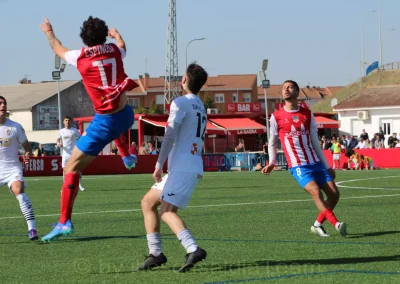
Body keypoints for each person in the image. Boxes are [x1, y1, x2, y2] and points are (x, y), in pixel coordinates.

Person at [40, 16, 139, 242]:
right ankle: (126, 157)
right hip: (126, 116)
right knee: (116, 121)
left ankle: (64, 221)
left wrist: (48, 32)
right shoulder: (114, 50)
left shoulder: (80, 56)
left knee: (70, 168)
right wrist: (118, 36)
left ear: (84, 39)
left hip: (106, 122)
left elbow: (57, 48)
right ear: (105, 35)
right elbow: (123, 47)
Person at [138, 63, 208, 272]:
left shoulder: (179, 102)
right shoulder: (200, 105)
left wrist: (158, 164)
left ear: (184, 81)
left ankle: (193, 248)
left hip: (183, 166)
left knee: (167, 211)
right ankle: (156, 254)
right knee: (148, 202)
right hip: (189, 163)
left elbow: (169, 135)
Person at [262, 80, 347, 238]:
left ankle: (317, 225)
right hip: (297, 165)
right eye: (283, 88)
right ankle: (336, 224)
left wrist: (327, 165)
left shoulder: (307, 114)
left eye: (290, 87)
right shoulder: (276, 117)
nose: (286, 90)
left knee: (334, 194)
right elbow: (272, 142)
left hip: (315, 162)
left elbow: (315, 141)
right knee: (315, 191)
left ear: (297, 92)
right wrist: (272, 162)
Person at [0, 96, 38, 240]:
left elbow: (28, 148)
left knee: (19, 192)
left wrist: (27, 154)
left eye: (4, 103)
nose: (3, 105)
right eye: (0, 103)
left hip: (12, 169)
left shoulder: (15, 126)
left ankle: (32, 229)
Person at [57, 116, 85, 191]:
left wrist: (79, 146)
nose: (67, 121)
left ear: (70, 121)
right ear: (63, 122)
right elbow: (57, 140)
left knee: (77, 169)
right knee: (65, 170)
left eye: (68, 120)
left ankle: (80, 185)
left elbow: (80, 138)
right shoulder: (61, 131)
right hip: (65, 153)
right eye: (66, 120)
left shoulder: (74, 130)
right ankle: (65, 186)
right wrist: (58, 144)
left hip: (74, 153)